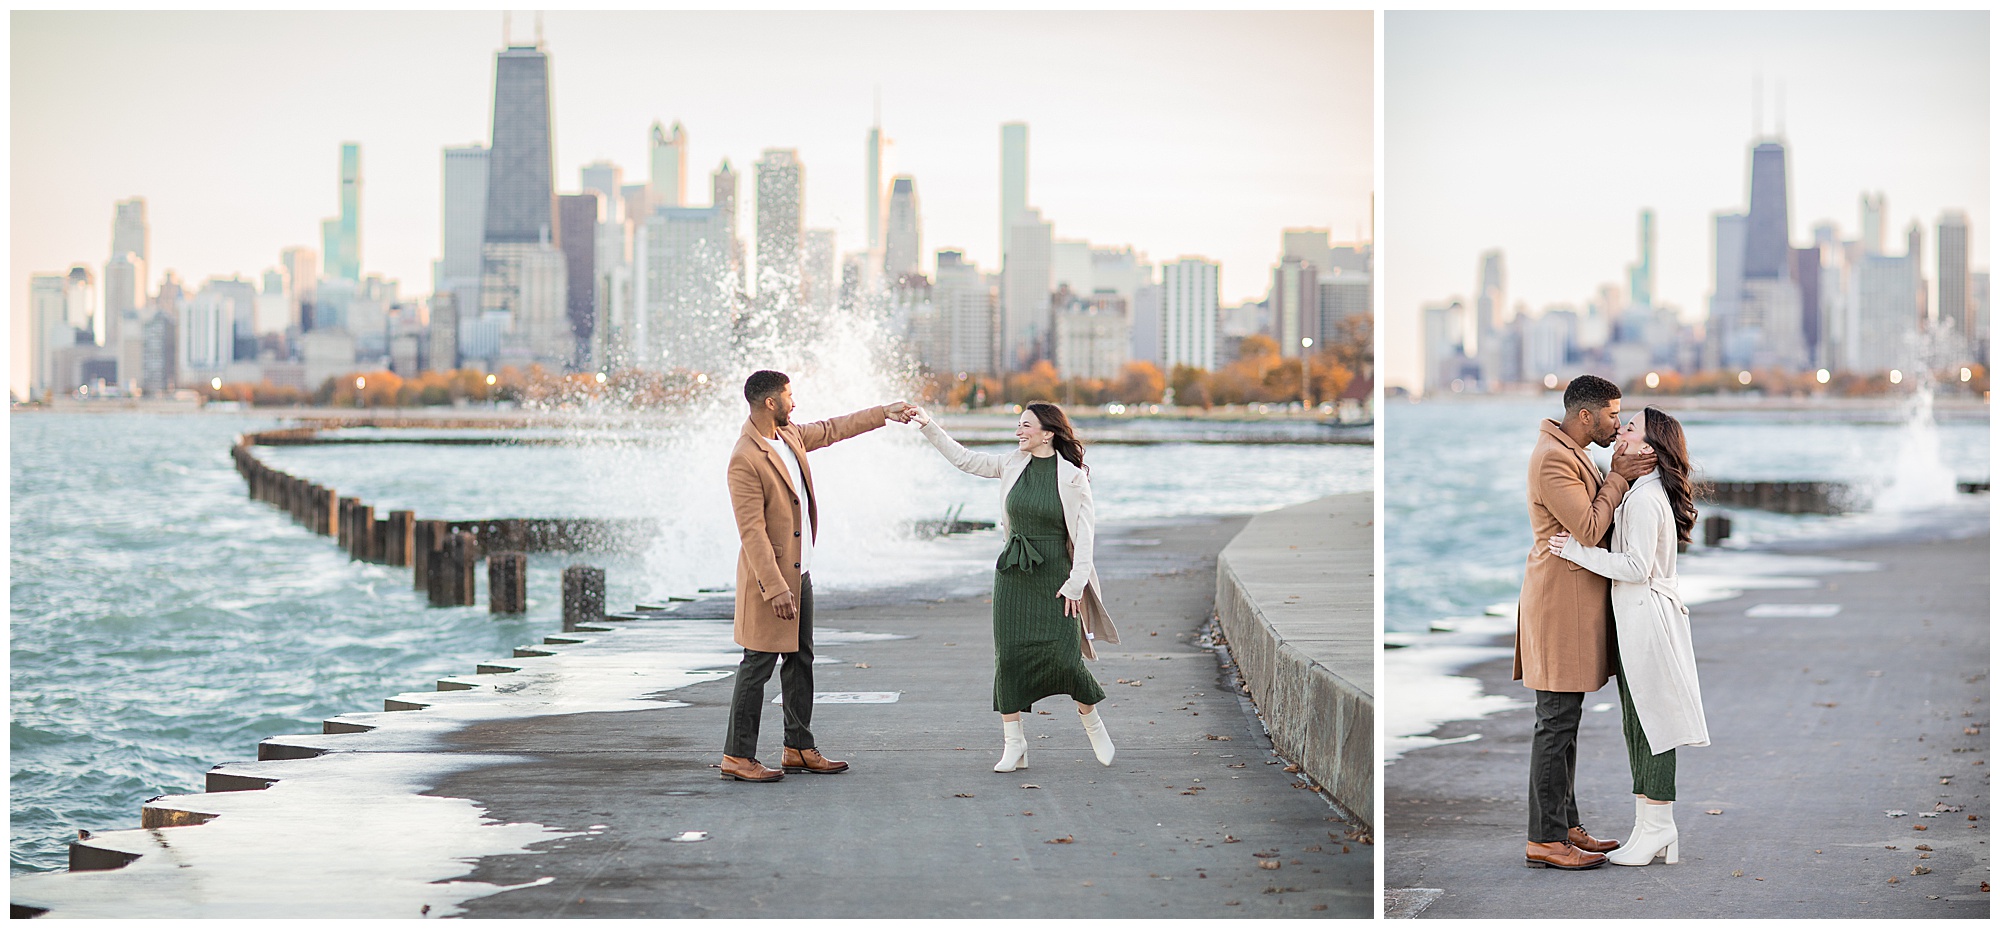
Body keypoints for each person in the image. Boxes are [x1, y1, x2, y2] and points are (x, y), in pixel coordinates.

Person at [720, 370, 915, 783]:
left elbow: (832, 429)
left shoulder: (788, 436)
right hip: (768, 580)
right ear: (770, 402)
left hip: (798, 572)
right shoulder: (745, 457)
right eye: (790, 396)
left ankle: (798, 747)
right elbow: (751, 532)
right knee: (757, 664)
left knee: (799, 662)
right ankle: (737, 756)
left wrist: (884, 413)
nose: (796, 402)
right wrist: (774, 588)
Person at [906, 401, 1119, 771]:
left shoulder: (1072, 477)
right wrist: (928, 424)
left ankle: (1093, 724)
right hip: (1013, 574)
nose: (1018, 432)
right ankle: (1014, 743)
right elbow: (964, 459)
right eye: (1018, 426)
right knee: (1009, 658)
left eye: (1025, 426)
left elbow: (1085, 537)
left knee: (1065, 660)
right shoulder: (1010, 463)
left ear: (1047, 433)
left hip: (1056, 578)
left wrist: (1075, 584)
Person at [1548, 406, 1709, 866]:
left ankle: (1658, 826)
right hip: (1637, 618)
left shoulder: (1643, 498)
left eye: (1631, 426)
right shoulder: (1641, 492)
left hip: (1648, 620)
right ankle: (1647, 826)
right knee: (1637, 723)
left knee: (1653, 724)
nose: (1620, 429)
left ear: (1649, 449)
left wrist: (1578, 552)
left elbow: (1637, 568)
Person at [1516, 374, 1656, 870]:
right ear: (1585, 416)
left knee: (1565, 722)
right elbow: (1591, 529)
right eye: (1613, 416)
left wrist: (1623, 478)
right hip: (1558, 606)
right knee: (1554, 722)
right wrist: (1620, 476)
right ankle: (1545, 839)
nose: (1618, 425)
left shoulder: (1573, 452)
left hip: (1573, 603)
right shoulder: (1553, 458)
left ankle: (1566, 825)